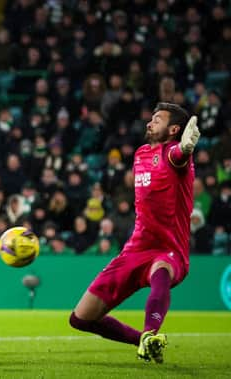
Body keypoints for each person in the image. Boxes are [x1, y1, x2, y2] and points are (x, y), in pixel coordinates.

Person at [69, 102, 200, 363]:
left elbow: (178, 155)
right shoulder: (140, 153)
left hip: (167, 248)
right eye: (151, 118)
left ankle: (152, 333)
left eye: (158, 119)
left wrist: (186, 149)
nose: (150, 123)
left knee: (160, 272)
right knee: (81, 318)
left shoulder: (174, 153)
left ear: (174, 129)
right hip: (135, 248)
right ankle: (142, 339)